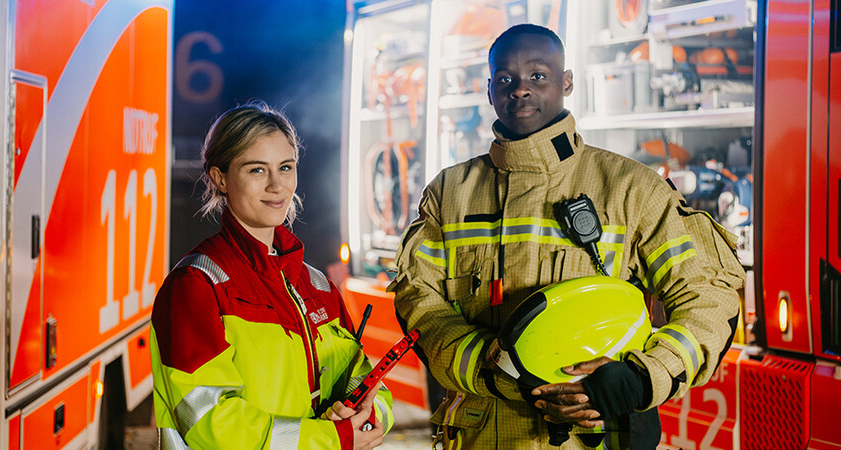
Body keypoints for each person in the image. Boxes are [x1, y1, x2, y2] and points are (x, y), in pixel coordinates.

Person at [389, 24, 743, 448]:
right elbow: (420, 305)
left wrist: (638, 378)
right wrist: (499, 369)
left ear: (567, 81)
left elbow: (709, 298)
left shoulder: (632, 188)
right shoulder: (449, 193)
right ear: (489, 90)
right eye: (506, 79)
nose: (520, 90)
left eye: (538, 75)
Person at [150, 101, 393, 449]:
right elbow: (210, 422)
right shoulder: (196, 287)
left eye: (286, 167)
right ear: (220, 178)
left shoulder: (317, 286)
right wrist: (330, 439)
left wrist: (367, 415)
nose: (277, 185)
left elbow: (369, 383)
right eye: (257, 170)